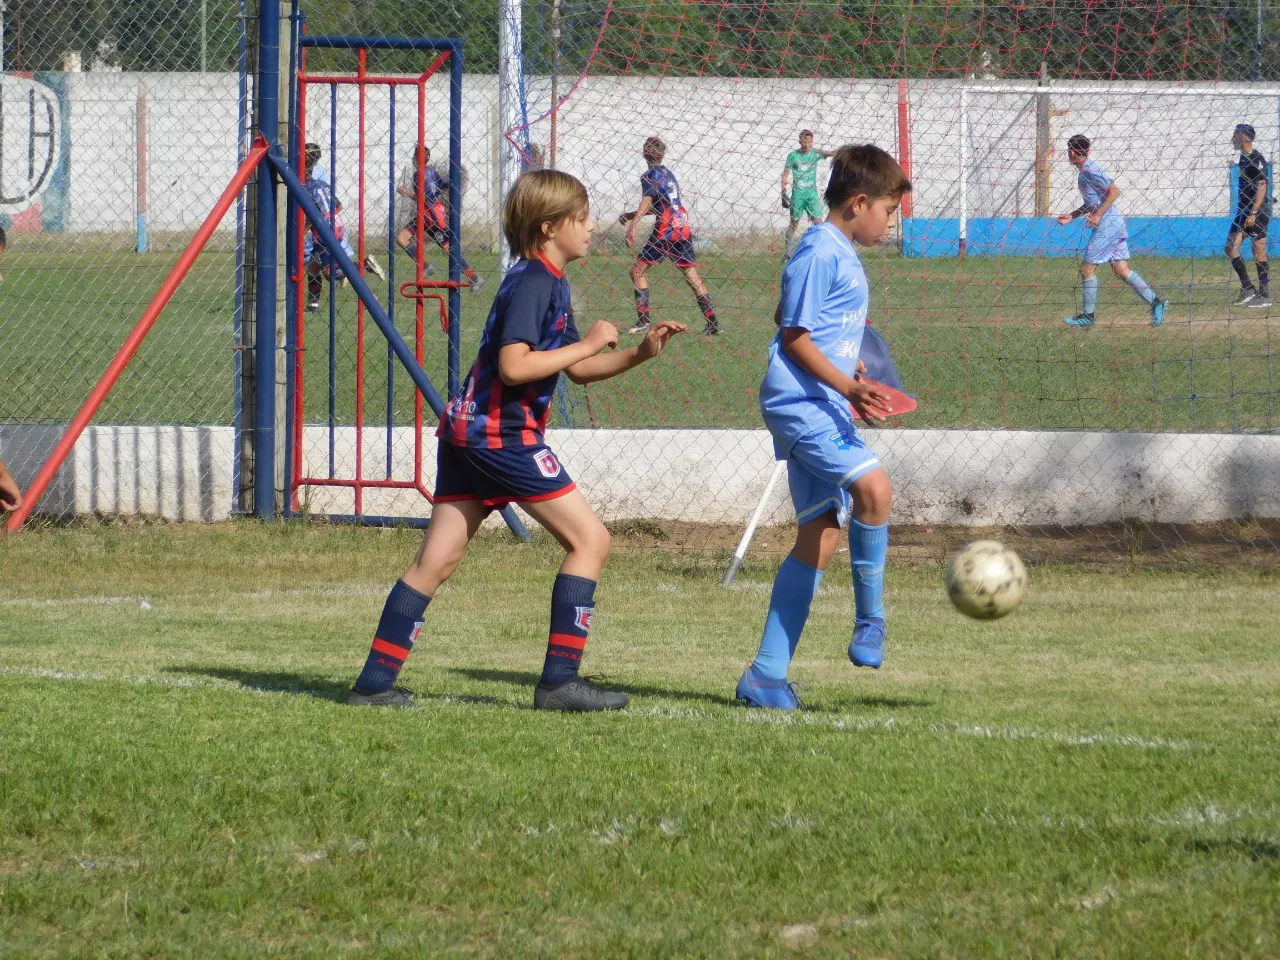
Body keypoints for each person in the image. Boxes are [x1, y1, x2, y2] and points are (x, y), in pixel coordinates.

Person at [346, 170, 687, 712]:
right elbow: (514, 366)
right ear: (549, 227)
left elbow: (576, 370)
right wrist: (593, 340)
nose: (592, 225)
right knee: (590, 541)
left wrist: (637, 354)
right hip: (502, 437)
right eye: (582, 217)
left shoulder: (545, 280)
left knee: (436, 561)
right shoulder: (534, 282)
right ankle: (559, 683)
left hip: (469, 431)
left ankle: (373, 683)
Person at [737, 144, 908, 710]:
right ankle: (871, 621)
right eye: (889, 210)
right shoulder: (819, 251)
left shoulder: (836, 251)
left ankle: (766, 675)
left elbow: (808, 323)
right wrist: (847, 386)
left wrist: (850, 366)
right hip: (801, 403)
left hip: (820, 397)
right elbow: (792, 336)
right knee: (874, 489)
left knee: (821, 535)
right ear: (859, 203)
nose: (891, 221)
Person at [1057, 135, 1167, 328]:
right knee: (1121, 269)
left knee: (1087, 268)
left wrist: (1098, 215)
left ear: (1072, 152)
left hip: (1108, 224)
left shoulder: (1090, 170)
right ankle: (1157, 304)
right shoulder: (1085, 172)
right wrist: (1073, 215)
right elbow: (1094, 200)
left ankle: (1087, 317)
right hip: (1113, 222)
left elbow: (1114, 191)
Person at [621, 136, 721, 336]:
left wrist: (632, 226)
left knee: (638, 271)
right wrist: (631, 215)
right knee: (692, 275)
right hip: (682, 224)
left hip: (666, 228)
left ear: (645, 153)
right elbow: (662, 204)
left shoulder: (649, 175)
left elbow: (648, 201)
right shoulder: (669, 174)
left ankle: (643, 321)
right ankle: (713, 323)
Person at [302, 142, 384, 312]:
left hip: (322, 231)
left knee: (333, 273)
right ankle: (313, 304)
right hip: (333, 225)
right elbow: (337, 206)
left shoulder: (305, 185)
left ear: (307, 158)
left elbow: (312, 213)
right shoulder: (321, 183)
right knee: (315, 265)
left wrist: (305, 231)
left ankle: (364, 265)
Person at [394, 145, 484, 291]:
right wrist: (454, 177)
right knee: (448, 249)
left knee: (401, 239)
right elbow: (443, 184)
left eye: (414, 156)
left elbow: (421, 197)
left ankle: (426, 266)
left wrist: (406, 193)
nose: (412, 159)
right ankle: (474, 277)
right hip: (436, 214)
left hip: (426, 216)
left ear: (418, 159)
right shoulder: (432, 172)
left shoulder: (418, 174)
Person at [1225, 123, 1271, 308]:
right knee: (1230, 247)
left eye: (1235, 135)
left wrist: (1253, 212)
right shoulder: (1243, 157)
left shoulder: (1254, 158)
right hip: (1243, 210)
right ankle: (1248, 288)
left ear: (1244, 137)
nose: (1233, 139)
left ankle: (1265, 295)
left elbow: (1262, 186)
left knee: (1258, 251)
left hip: (1256, 211)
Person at [781, 129, 834, 258]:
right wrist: (783, 192)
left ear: (812, 141)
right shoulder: (793, 156)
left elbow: (830, 153)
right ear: (800, 141)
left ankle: (820, 249)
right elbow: (786, 174)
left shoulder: (816, 153)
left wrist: (846, 151)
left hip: (811, 194)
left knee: (819, 222)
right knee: (794, 223)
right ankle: (788, 253)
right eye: (804, 140)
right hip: (798, 194)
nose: (806, 143)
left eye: (809, 141)